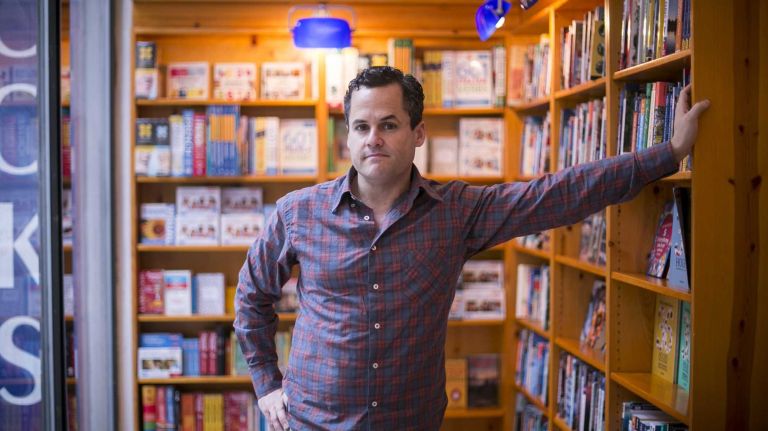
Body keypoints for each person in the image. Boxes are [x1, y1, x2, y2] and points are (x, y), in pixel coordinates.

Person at [234, 66, 709, 430]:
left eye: (389, 124)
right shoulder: (298, 213)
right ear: (348, 136)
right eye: (361, 127)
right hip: (312, 422)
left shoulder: (457, 211)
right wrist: (266, 385)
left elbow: (559, 194)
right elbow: (251, 297)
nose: (373, 139)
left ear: (417, 134)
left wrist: (668, 153)